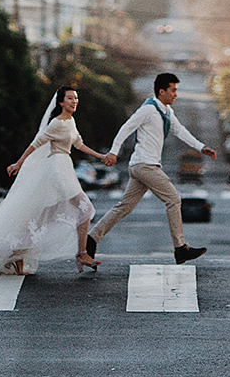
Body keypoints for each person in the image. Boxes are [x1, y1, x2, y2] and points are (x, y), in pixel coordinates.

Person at [0, 86, 107, 276]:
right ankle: (81, 254)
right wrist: (18, 164)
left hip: (64, 166)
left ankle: (18, 253)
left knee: (45, 215)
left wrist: (101, 156)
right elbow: (36, 143)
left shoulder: (70, 121)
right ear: (61, 102)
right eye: (70, 98)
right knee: (84, 208)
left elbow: (78, 144)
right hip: (57, 169)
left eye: (76, 98)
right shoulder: (56, 123)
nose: (74, 101)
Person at [87, 72, 217, 265]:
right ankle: (180, 248)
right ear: (161, 91)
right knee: (173, 199)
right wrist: (114, 152)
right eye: (173, 90)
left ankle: (91, 239)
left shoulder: (166, 112)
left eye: (176, 90)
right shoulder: (147, 109)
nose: (176, 94)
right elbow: (126, 128)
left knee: (124, 207)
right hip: (144, 165)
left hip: (141, 166)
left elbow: (180, 131)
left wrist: (200, 147)